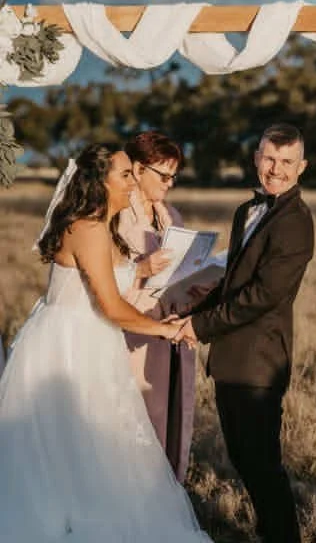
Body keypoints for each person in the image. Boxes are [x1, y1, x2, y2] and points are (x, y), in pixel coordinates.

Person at [0, 142, 212, 542]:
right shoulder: (89, 227)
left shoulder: (103, 225)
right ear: (101, 181)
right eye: (125, 174)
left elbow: (111, 282)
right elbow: (112, 307)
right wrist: (167, 330)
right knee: (75, 444)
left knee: (94, 444)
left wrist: (143, 269)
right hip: (69, 347)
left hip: (92, 341)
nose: (133, 182)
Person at [178, 123, 314, 543]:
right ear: (256, 157)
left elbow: (262, 296)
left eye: (286, 162)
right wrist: (188, 308)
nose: (276, 169)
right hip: (232, 358)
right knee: (244, 458)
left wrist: (198, 327)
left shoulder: (295, 222)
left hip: (258, 364)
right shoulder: (246, 212)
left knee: (262, 466)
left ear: (301, 167)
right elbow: (232, 281)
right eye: (269, 158)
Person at [118, 131, 195, 482]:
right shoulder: (117, 216)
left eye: (174, 176)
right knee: (135, 425)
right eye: (163, 175)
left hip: (172, 329)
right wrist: (141, 269)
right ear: (137, 169)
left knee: (169, 417)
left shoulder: (172, 216)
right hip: (131, 333)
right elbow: (102, 282)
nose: (170, 183)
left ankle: (163, 489)